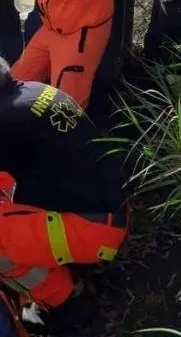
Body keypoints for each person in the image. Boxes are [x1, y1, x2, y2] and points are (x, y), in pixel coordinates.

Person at [0, 57, 128, 333]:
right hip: (106, 211)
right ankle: (81, 266)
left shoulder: (5, 123)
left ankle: (65, 299)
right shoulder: (29, 91)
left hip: (92, 230)